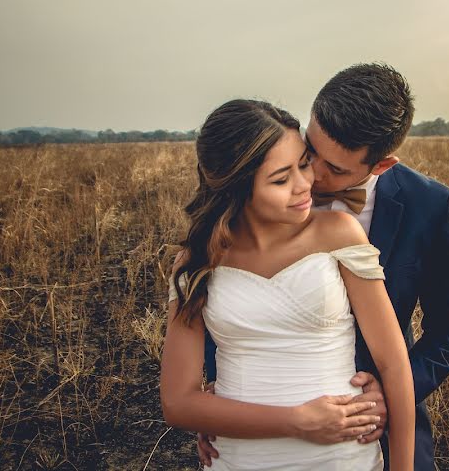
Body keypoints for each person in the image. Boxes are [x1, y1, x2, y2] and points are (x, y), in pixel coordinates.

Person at [198, 64, 449, 470]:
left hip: (378, 418)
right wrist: (217, 391)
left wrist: (391, 392)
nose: (313, 178)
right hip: (257, 417)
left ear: (381, 165)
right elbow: (226, 288)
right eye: (312, 152)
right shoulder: (266, 180)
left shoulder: (428, 205)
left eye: (337, 169)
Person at [160, 99, 416, 470]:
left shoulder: (338, 233)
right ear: (235, 187)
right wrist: (296, 421)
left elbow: (393, 364)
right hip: (241, 458)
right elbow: (178, 403)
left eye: (302, 164)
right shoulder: (196, 262)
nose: (305, 184)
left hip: (343, 455)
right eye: (281, 179)